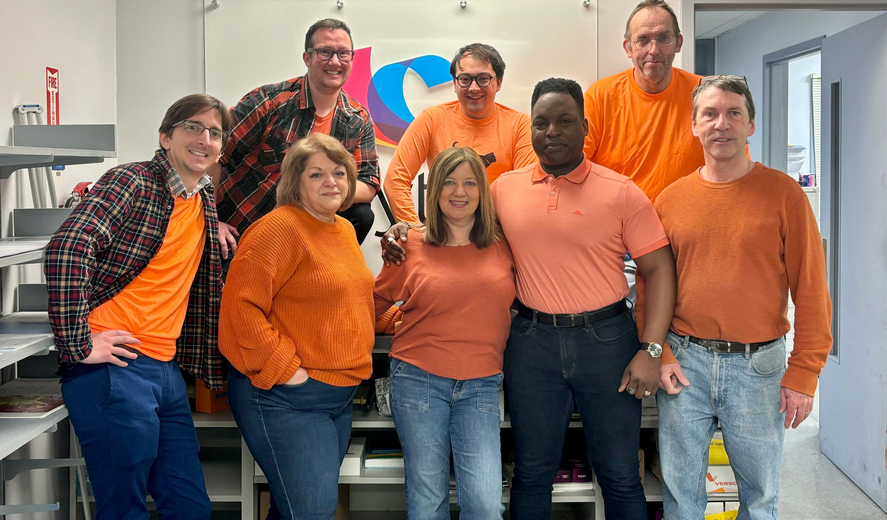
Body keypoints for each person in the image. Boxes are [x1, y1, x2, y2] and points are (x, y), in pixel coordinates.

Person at [382, 78, 677, 520]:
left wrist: (652, 350)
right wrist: (404, 230)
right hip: (532, 343)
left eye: (564, 121)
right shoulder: (503, 190)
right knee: (533, 473)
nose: (552, 132)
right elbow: (458, 228)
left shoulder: (621, 191)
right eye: (541, 123)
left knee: (618, 473)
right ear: (531, 130)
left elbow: (660, 271)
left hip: (607, 342)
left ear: (585, 127)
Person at [44, 94, 230, 520]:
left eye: (216, 133)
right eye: (193, 127)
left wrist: (216, 229)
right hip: (114, 367)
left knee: (189, 507)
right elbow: (68, 248)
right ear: (166, 136)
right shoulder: (134, 180)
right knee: (123, 510)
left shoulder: (202, 198)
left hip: (164, 369)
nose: (205, 139)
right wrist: (79, 345)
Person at [655, 75, 832, 520]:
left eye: (734, 113)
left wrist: (804, 372)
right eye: (710, 114)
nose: (722, 124)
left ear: (750, 124)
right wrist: (658, 353)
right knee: (682, 497)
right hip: (685, 361)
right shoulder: (671, 200)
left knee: (759, 498)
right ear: (693, 126)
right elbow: (651, 288)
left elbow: (810, 288)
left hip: (760, 367)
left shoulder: (785, 195)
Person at [219, 134, 396, 520]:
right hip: (287, 397)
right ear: (295, 183)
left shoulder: (343, 230)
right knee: (312, 511)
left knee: (294, 508)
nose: (331, 181)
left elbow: (352, 303)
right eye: (316, 174)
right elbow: (239, 311)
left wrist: (400, 318)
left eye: (338, 172)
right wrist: (288, 371)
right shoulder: (277, 229)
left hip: (338, 396)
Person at [374, 147, 515, 520]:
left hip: (481, 385)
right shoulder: (408, 244)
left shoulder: (505, 244)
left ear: (482, 192)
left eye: (470, 182)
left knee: (485, 505)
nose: (459, 192)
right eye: (449, 182)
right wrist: (396, 317)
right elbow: (372, 306)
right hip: (419, 379)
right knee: (427, 499)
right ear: (434, 190)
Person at [212, 18, 380, 255]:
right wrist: (210, 221)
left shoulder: (357, 118)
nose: (335, 61)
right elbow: (214, 158)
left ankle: (315, 271)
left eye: (343, 53)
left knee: (361, 214)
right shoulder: (268, 101)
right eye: (325, 52)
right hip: (240, 233)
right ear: (307, 58)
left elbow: (368, 184)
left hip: (303, 235)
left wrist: (314, 189)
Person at [383, 43, 536, 224]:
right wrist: (413, 230)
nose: (473, 88)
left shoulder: (520, 125)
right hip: (444, 232)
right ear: (455, 83)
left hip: (498, 235)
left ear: (499, 82)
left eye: (483, 79)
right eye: (464, 79)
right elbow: (395, 179)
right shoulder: (432, 119)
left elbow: (526, 189)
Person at [583, 0, 703, 203]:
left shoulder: (704, 94)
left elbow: (730, 162)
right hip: (618, 225)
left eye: (663, 38)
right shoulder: (600, 96)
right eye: (643, 40)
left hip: (684, 225)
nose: (653, 50)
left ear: (678, 42)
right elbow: (576, 166)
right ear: (628, 48)